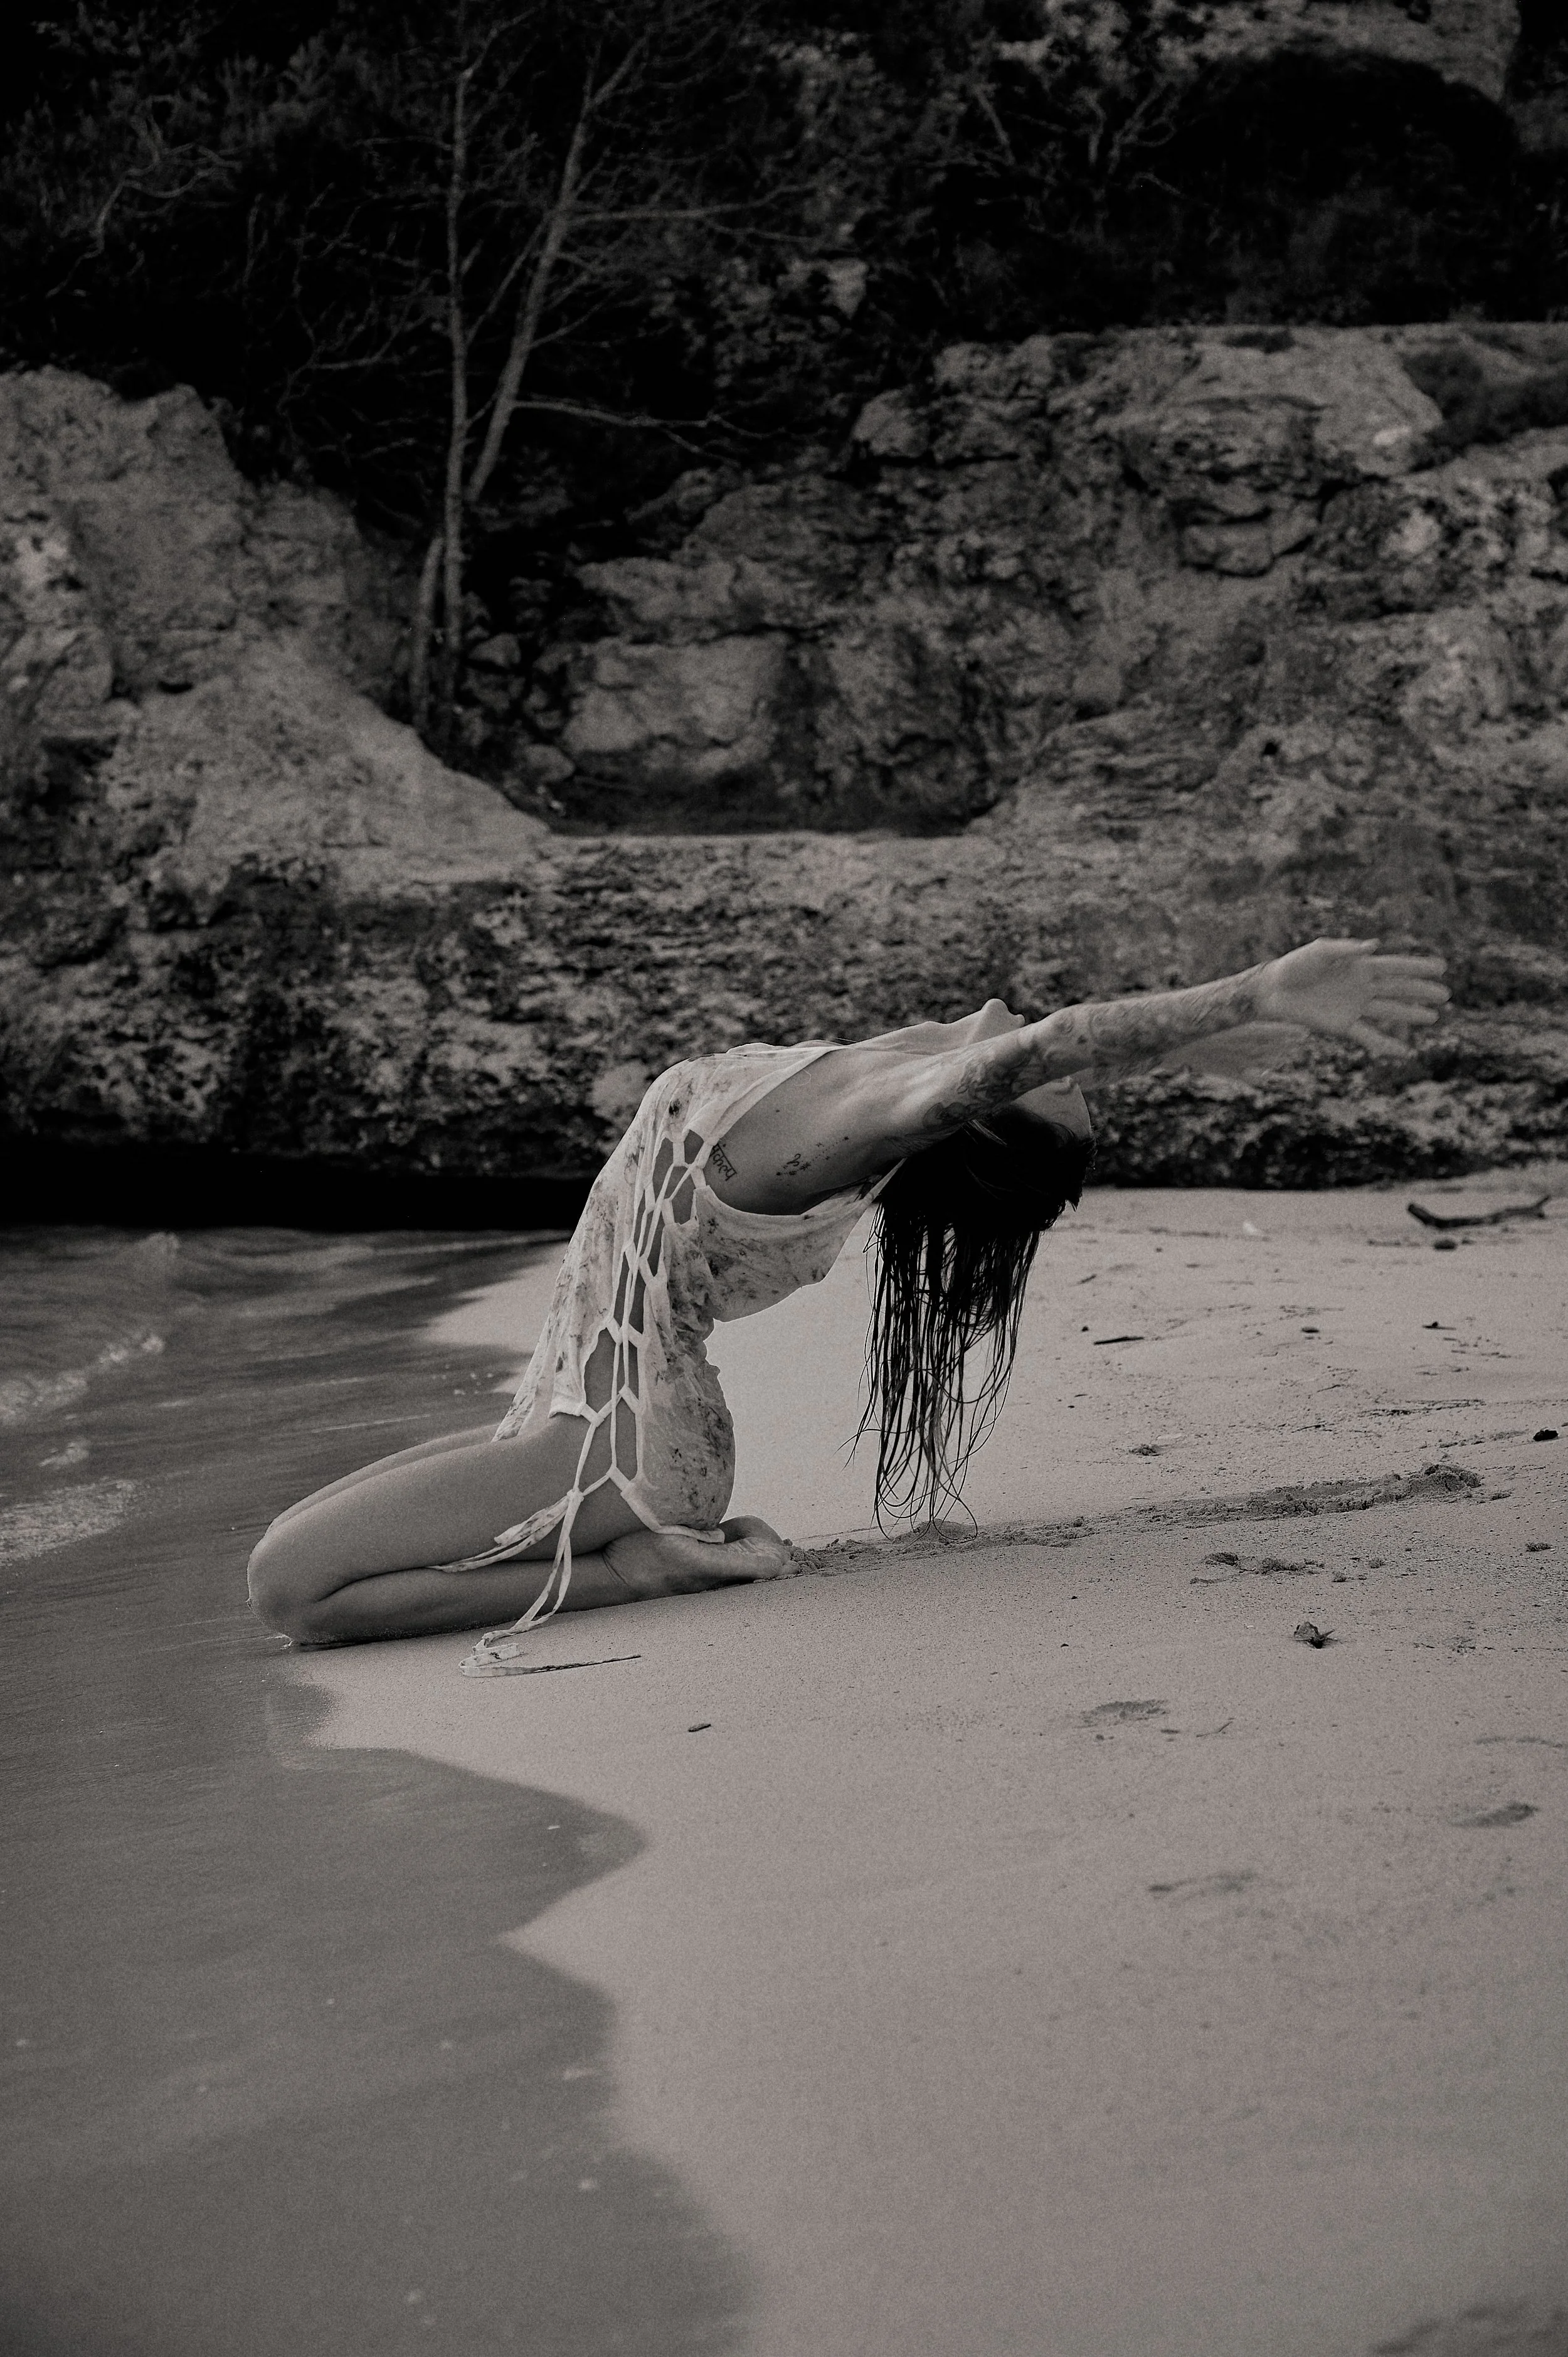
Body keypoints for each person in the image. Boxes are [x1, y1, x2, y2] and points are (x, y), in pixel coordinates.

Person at [247, 937, 1448, 1673]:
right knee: (315, 1545)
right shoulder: (877, 1079)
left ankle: (646, 1575)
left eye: (1047, 1079)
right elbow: (1052, 1053)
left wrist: (1256, 995)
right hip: (596, 1424)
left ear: (970, 1111)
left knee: (289, 1588)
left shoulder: (867, 1124)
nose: (1044, 1051)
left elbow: (1050, 1043)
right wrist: (1186, 1052)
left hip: (615, 1449)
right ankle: (653, 1550)